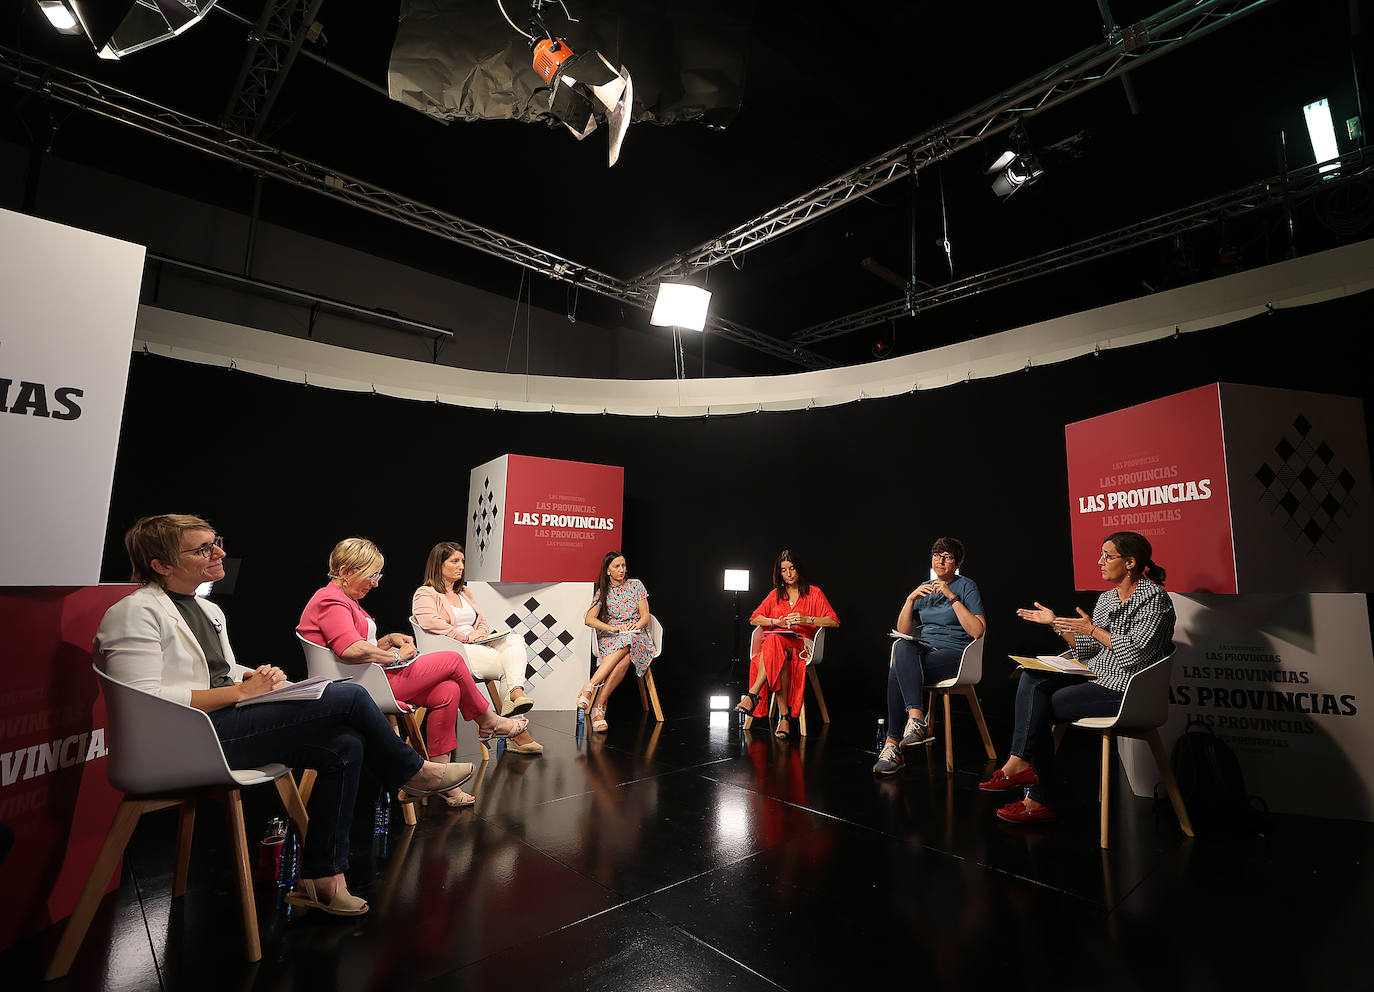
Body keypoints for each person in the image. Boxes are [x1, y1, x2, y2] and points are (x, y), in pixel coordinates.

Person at [94, 515, 474, 918]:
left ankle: (325, 878)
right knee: (349, 697)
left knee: (345, 745)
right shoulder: (132, 613)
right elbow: (147, 698)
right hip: (183, 741)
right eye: (203, 548)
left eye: (216, 542)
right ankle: (413, 773)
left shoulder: (207, 609)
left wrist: (254, 675)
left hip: (224, 723)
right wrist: (239, 690)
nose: (220, 552)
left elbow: (218, 671)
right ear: (161, 565)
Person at [297, 538, 535, 806]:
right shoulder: (330, 599)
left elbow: (353, 644)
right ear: (345, 572)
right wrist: (394, 656)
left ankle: (442, 780)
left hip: (367, 677)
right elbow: (349, 649)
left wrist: (384, 642)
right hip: (359, 687)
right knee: (454, 660)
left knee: (449, 689)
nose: (376, 582)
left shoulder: (345, 599)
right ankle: (489, 721)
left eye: (378, 575)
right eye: (372, 575)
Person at [981, 531, 1175, 823]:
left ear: (1131, 562)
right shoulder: (1107, 599)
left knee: (1040, 709)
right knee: (1032, 678)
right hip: (1095, 676)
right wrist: (1056, 623)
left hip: (1126, 689)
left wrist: (1094, 630)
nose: (1100, 561)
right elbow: (1087, 647)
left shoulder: (1155, 600)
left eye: (1107, 555)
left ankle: (1036, 795)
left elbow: (1135, 655)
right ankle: (1022, 766)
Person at [873, 537, 987, 775]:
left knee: (897, 671)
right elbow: (903, 631)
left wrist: (951, 596)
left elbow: (977, 631)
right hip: (926, 652)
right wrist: (910, 599)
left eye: (947, 557)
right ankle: (916, 720)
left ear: (957, 563)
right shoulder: (925, 588)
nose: (940, 560)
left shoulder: (966, 586)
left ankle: (894, 745)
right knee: (901, 647)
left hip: (957, 655)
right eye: (936, 555)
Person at [412, 542, 540, 738]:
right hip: (453, 651)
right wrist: (463, 636)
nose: (461, 566)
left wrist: (480, 633)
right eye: (454, 561)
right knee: (510, 666)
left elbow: (481, 621)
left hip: (477, 644)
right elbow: (430, 622)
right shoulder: (425, 593)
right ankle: (518, 734)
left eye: (462, 561)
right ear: (439, 564)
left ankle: (515, 695)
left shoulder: (464, 591)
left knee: (515, 639)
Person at [734, 550, 839, 739]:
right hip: (779, 645)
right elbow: (754, 619)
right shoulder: (776, 594)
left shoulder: (814, 593)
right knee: (775, 643)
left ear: (799, 569)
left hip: (803, 645)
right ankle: (784, 717)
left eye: (792, 568)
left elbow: (834, 621)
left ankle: (752, 695)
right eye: (783, 570)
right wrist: (776, 622)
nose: (789, 574)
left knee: (773, 645)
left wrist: (807, 619)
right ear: (779, 573)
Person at [577, 551, 652, 733]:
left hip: (636, 634)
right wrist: (612, 628)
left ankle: (590, 687)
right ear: (608, 570)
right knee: (625, 658)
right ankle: (598, 709)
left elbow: (645, 616)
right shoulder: (603, 591)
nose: (621, 569)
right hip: (613, 636)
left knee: (629, 641)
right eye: (617, 566)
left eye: (624, 565)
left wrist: (634, 626)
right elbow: (589, 619)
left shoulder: (636, 585)